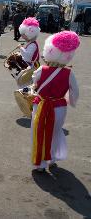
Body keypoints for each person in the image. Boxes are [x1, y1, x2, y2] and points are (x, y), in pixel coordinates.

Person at [30, 31, 79, 172]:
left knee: (38, 132)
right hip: (58, 107)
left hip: (40, 104)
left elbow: (34, 82)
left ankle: (40, 164)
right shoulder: (69, 73)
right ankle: (51, 160)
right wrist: (71, 101)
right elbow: (75, 92)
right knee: (54, 133)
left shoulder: (41, 69)